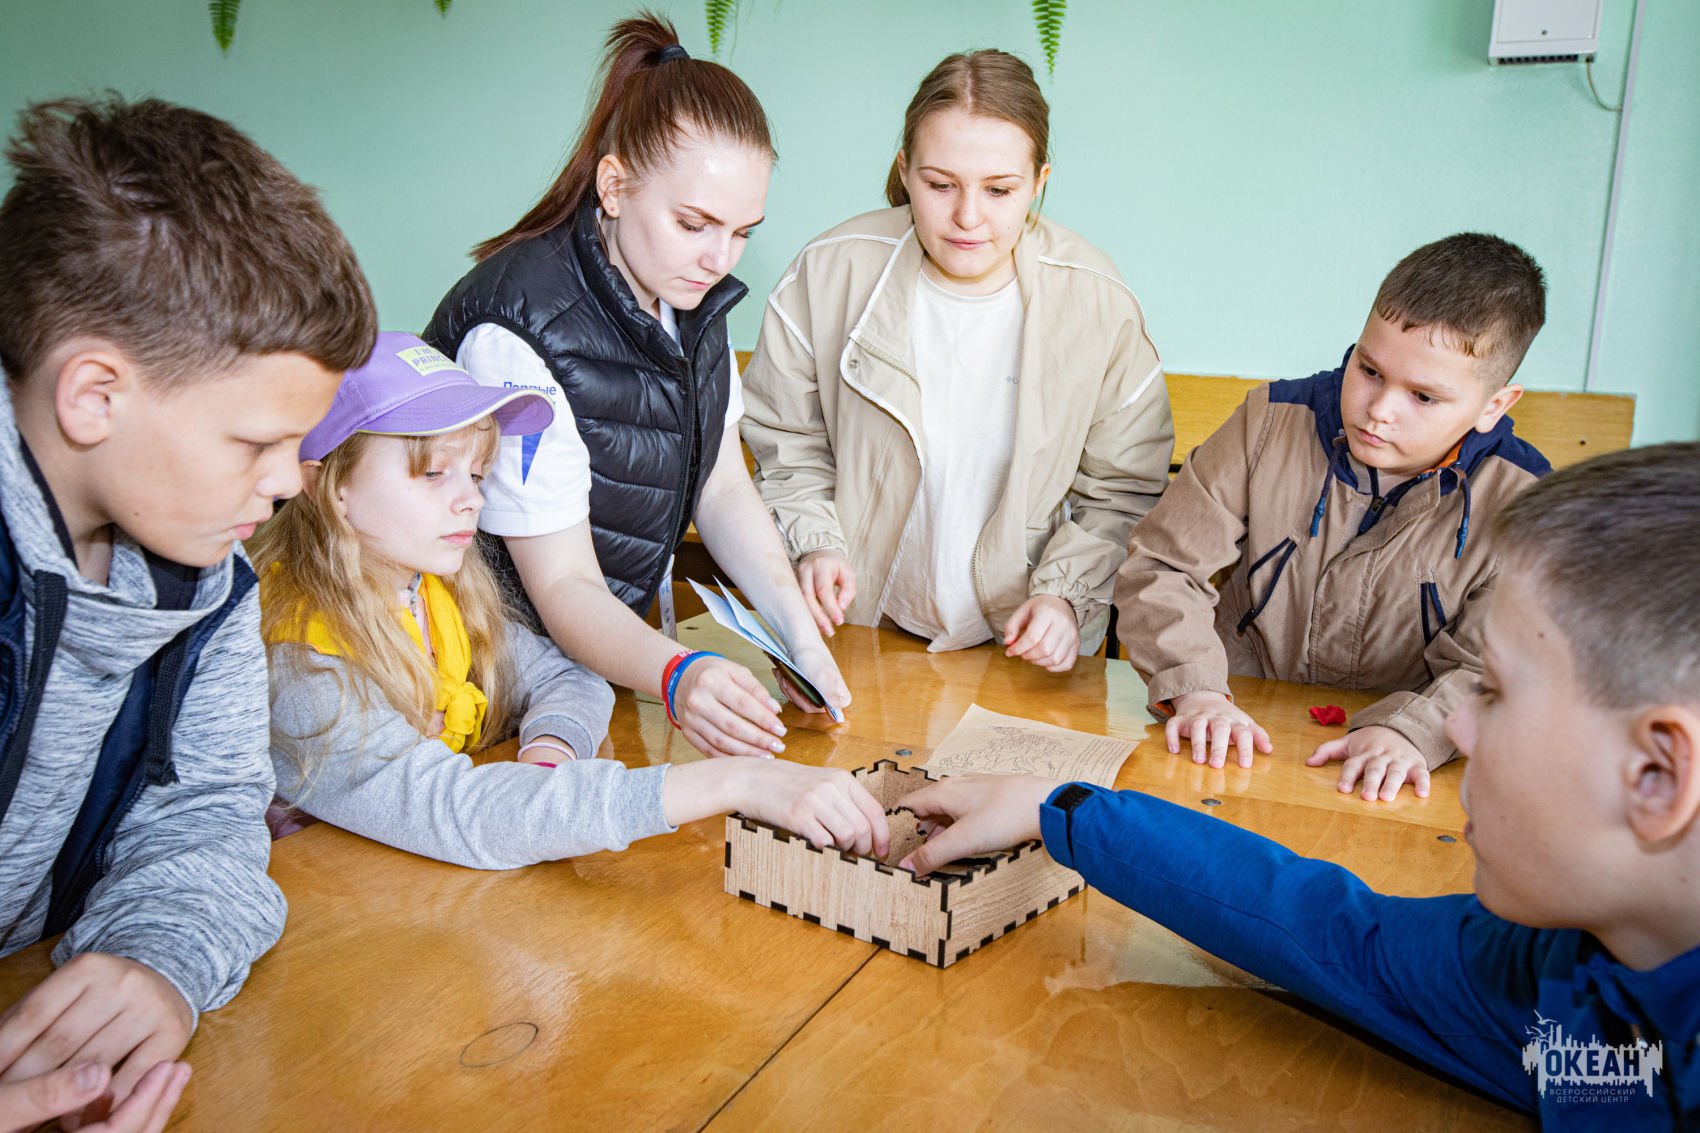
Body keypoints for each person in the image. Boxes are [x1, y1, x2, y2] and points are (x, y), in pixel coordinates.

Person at [901, 442, 1700, 1127]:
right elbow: (1331, 930)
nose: (1457, 726)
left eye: (1493, 691)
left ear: (1659, 776)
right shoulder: (1563, 963)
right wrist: (1059, 809)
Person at [0, 96, 376, 1129]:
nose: (290, 482)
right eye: (256, 443)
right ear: (94, 396)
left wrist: (155, 962)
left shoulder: (210, 579)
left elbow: (208, 812)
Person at [253, 335, 888, 868]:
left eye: (475, 474)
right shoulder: (303, 661)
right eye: (432, 473)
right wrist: (736, 780)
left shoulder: (436, 593)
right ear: (327, 486)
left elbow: (566, 674)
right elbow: (458, 813)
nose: (471, 500)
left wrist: (550, 751)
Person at [425, 13, 846, 762]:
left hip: (586, 663)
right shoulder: (516, 337)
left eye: (743, 231)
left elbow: (721, 487)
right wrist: (679, 672)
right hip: (469, 678)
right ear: (614, 187)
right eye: (694, 223)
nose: (720, 258)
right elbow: (561, 586)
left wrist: (797, 634)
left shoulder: (691, 301)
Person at [740, 49, 1174, 673]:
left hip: (1023, 652)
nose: (968, 217)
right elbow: (786, 444)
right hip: (857, 632)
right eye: (940, 185)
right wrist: (815, 546)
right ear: (905, 170)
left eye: (999, 190)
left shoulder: (1100, 304)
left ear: (1040, 182)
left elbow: (1123, 490)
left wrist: (1063, 597)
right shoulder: (827, 273)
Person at [1113, 234, 1549, 800]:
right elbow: (1163, 566)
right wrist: (1196, 690)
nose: (1379, 410)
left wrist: (1415, 733)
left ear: (1495, 405)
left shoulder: (1526, 507)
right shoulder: (1267, 423)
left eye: (1423, 397)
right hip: (1232, 725)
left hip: (1396, 764)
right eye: (1369, 370)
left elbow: (1495, 667)